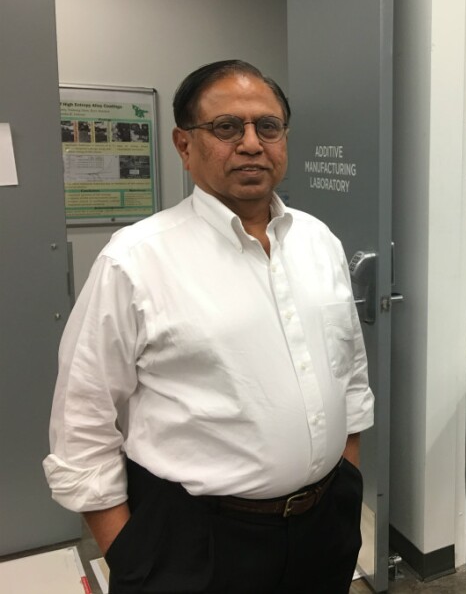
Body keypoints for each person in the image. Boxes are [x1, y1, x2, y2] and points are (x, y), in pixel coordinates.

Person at [44, 60, 374, 594]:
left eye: (268, 126)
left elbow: (350, 376)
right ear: (183, 144)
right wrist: (132, 557)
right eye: (226, 128)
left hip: (324, 527)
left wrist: (346, 483)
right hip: (199, 545)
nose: (250, 143)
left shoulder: (319, 242)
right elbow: (81, 423)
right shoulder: (136, 259)